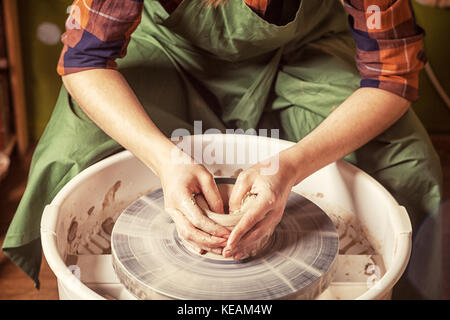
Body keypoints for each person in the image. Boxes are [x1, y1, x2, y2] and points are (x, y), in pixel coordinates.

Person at [3, 0, 443, 299]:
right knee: (75, 147)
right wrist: (164, 158)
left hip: (300, 52)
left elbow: (392, 76)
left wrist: (290, 166)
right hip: (167, 51)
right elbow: (85, 61)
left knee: (403, 162)